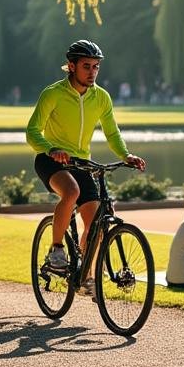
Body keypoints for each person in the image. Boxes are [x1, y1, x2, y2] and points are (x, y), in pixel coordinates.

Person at [27, 40, 146, 295]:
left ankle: (84, 274)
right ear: (71, 66)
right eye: (86, 66)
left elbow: (112, 132)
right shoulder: (53, 93)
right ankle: (57, 250)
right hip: (51, 159)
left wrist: (126, 155)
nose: (92, 72)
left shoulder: (101, 97)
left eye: (96, 67)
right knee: (71, 192)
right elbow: (32, 131)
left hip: (82, 163)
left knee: (96, 224)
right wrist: (51, 149)